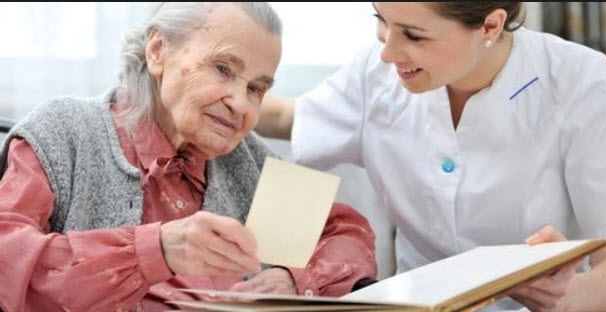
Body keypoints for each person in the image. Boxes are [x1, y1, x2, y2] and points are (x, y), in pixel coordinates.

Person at [256, 2, 606, 311]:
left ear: (490, 27)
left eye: (413, 35)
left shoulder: (581, 82)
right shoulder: (372, 77)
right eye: (382, 19)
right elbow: (284, 117)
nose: (388, 53)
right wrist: (208, 84)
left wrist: (568, 297)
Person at [0, 3, 377, 311]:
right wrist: (156, 249)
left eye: (256, 88)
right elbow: (7, 259)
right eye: (223, 69)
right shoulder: (65, 131)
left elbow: (346, 232)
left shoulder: (244, 159)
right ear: (158, 50)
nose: (240, 103)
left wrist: (297, 280)